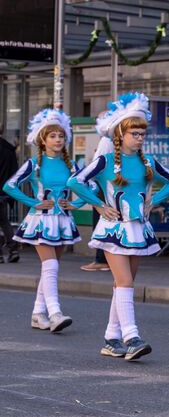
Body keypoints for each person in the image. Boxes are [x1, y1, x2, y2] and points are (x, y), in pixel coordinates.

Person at [68, 92, 169, 361]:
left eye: (142, 133)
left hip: (138, 228)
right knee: (125, 282)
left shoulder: (148, 162)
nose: (140, 138)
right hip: (113, 228)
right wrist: (98, 205)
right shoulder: (106, 161)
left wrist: (154, 200)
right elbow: (75, 182)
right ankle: (132, 337)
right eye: (135, 133)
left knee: (124, 285)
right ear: (121, 134)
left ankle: (111, 338)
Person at [3, 109, 83, 332]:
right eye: (52, 136)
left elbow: (91, 187)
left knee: (50, 269)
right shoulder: (34, 165)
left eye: (61, 136)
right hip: (41, 221)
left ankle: (38, 314)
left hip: (63, 221)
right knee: (51, 266)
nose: (58, 140)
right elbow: (9, 186)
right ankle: (55, 314)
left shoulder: (72, 165)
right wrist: (33, 202)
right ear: (43, 140)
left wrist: (75, 204)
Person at [80, 115, 113, 272]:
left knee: (101, 221)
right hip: (111, 186)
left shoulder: (106, 140)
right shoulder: (112, 140)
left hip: (102, 186)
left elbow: (98, 164)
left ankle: (102, 259)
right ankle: (107, 259)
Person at [0, 125, 21, 263]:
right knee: (4, 221)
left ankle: (4, 253)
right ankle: (13, 249)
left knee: (3, 221)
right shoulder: (9, 149)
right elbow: (14, 171)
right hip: (5, 191)